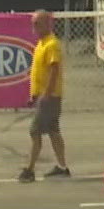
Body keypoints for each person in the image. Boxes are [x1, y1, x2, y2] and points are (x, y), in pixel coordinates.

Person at [18, 10, 69, 183]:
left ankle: (30, 169)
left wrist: (46, 94)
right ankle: (62, 167)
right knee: (54, 131)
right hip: (44, 96)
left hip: (50, 97)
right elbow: (40, 73)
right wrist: (34, 95)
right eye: (33, 23)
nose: (34, 27)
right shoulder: (41, 44)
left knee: (35, 131)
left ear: (48, 24)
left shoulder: (51, 44)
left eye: (37, 23)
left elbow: (54, 69)